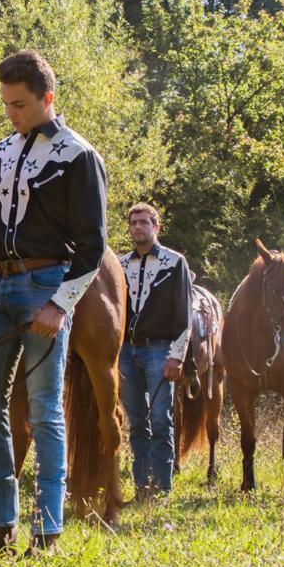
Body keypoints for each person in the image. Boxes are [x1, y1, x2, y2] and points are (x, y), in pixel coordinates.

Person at [0, 49, 108, 557]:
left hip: (45, 285)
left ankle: (47, 533)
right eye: (6, 104)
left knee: (44, 411)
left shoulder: (79, 156)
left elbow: (94, 245)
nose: (11, 114)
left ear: (47, 98)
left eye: (19, 105)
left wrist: (60, 305)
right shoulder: (1, 152)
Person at [118, 203, 192, 500]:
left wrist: (178, 355)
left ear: (156, 227)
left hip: (159, 349)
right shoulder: (120, 264)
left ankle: (162, 488)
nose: (138, 227)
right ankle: (140, 486)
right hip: (126, 352)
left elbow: (184, 314)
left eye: (144, 223)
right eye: (133, 223)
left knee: (161, 418)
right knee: (137, 421)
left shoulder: (175, 263)